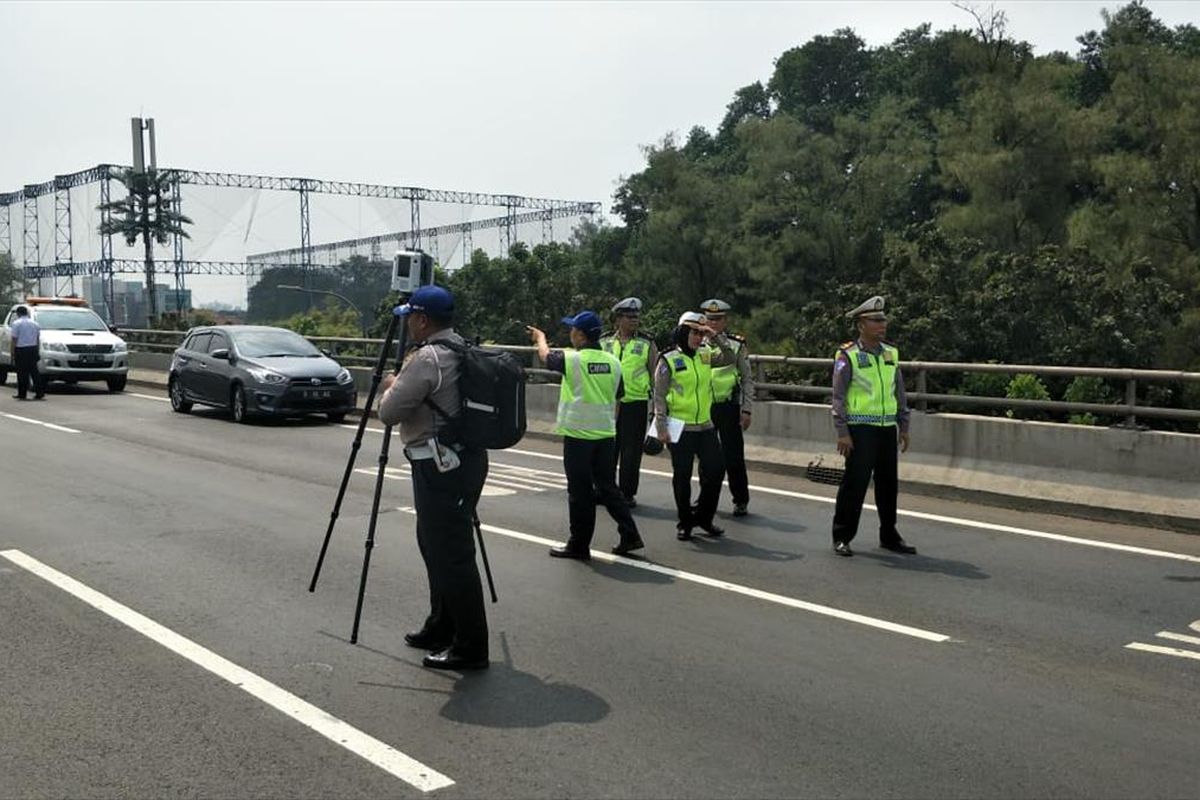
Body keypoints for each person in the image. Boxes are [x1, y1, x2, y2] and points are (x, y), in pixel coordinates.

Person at [379, 285, 490, 671]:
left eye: (412, 315)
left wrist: (391, 385)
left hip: (441, 468)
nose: (408, 322)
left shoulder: (427, 359)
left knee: (452, 556)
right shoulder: (461, 348)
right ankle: (441, 625)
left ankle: (470, 646)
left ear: (422, 319)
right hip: (461, 462)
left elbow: (389, 412)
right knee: (435, 546)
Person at [528, 311, 644, 560]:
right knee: (608, 488)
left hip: (579, 434)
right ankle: (630, 533)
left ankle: (579, 545)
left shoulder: (573, 359)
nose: (571, 333)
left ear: (580, 335)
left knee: (580, 492)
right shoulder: (613, 361)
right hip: (604, 434)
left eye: (572, 330)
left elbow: (546, 357)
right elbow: (619, 394)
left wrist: (540, 337)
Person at [830, 295, 917, 557]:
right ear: (861, 325)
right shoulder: (848, 355)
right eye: (875, 320)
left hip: (885, 428)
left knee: (888, 484)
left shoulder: (891, 354)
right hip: (860, 429)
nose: (882, 324)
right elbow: (838, 396)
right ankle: (842, 535)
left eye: (883, 319)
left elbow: (899, 391)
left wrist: (904, 425)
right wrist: (842, 432)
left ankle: (889, 534)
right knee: (855, 483)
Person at [653, 312, 736, 541]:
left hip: (705, 425)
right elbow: (659, 396)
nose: (699, 337)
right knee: (682, 476)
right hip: (680, 426)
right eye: (694, 332)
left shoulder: (705, 355)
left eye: (701, 333)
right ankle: (685, 522)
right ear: (682, 333)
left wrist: (715, 336)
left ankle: (704, 517)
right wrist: (661, 427)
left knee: (716, 470)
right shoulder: (668, 358)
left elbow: (730, 358)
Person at [600, 297, 657, 508]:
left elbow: (655, 376)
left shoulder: (646, 342)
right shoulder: (604, 341)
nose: (635, 320)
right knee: (606, 449)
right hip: (607, 404)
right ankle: (604, 490)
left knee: (631, 452)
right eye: (630, 317)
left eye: (636, 317)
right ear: (618, 319)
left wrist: (658, 408)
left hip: (635, 403)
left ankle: (627, 493)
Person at [700, 298, 754, 517]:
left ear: (725, 320)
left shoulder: (735, 344)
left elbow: (748, 378)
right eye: (710, 319)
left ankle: (740, 499)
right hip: (703, 406)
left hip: (728, 406)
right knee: (705, 456)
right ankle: (705, 499)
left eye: (718, 319)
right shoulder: (696, 343)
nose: (713, 323)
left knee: (733, 456)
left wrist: (747, 409)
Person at [9, 306, 43, 401]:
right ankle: (39, 392)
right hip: (32, 349)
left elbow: (14, 339)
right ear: (27, 313)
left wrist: (12, 353)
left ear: (18, 313)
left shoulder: (16, 324)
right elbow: (37, 339)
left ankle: (22, 393)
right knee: (34, 372)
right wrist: (37, 350)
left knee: (21, 373)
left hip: (21, 350)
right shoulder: (35, 324)